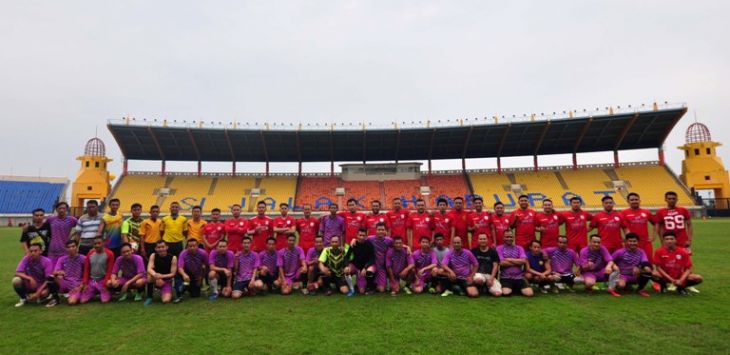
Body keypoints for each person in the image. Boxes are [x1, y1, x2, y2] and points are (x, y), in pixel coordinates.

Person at [653, 231, 703, 295]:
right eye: (667, 239)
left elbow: (688, 268)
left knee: (698, 278)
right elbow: (658, 267)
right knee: (653, 274)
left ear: (675, 240)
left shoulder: (683, 251)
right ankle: (663, 286)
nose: (669, 241)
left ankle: (681, 287)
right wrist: (671, 280)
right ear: (664, 241)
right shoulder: (659, 251)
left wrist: (681, 280)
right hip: (666, 276)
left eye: (671, 239)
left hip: (679, 276)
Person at [12, 243, 54, 307]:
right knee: (16, 280)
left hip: (42, 285)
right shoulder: (26, 258)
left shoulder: (47, 261)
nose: (33, 253)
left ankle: (41, 297)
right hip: (30, 284)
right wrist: (30, 278)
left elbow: (48, 279)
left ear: (41, 251)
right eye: (31, 251)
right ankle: (24, 299)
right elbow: (17, 272)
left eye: (35, 251)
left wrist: (38, 293)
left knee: (43, 293)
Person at [497, 230, 533, 297]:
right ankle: (513, 288)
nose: (509, 239)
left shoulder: (519, 248)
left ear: (514, 237)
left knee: (529, 294)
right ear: (503, 238)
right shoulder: (499, 248)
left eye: (511, 237)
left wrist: (509, 259)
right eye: (507, 237)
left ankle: (516, 288)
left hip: (519, 277)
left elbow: (524, 261)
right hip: (505, 277)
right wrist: (517, 262)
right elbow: (501, 263)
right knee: (506, 293)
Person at [620, 193, 655, 261]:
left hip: (645, 243)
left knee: (648, 262)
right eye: (632, 200)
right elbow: (619, 226)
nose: (634, 201)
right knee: (631, 262)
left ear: (639, 200)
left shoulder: (646, 212)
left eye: (636, 199)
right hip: (631, 243)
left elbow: (656, 223)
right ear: (628, 201)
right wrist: (622, 238)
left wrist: (654, 236)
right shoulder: (623, 213)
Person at [80, 236, 114, 304]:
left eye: (99, 243)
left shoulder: (110, 254)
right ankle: (93, 291)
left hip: (103, 280)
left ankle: (107, 292)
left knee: (105, 301)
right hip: (92, 280)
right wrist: (85, 283)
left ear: (103, 243)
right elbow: (86, 269)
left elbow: (109, 270)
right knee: (82, 301)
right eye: (95, 244)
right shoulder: (90, 253)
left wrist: (105, 283)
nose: (97, 245)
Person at [52, 240, 86, 306]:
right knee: (54, 277)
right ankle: (57, 296)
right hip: (66, 282)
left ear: (77, 247)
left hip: (77, 284)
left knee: (71, 302)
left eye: (73, 246)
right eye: (69, 247)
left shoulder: (83, 258)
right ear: (66, 249)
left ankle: (75, 294)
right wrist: (60, 272)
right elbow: (54, 272)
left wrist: (81, 286)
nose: (71, 249)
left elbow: (88, 274)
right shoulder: (62, 259)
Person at [145, 241, 177, 305]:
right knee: (149, 276)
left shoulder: (173, 258)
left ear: (167, 247)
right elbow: (149, 268)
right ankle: (149, 297)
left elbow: (173, 273)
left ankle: (167, 291)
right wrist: (156, 276)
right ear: (155, 249)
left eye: (163, 247)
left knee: (166, 301)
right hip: (155, 279)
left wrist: (161, 276)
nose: (161, 249)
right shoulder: (153, 255)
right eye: (159, 247)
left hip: (166, 280)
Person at [46, 202, 78, 267]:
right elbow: (42, 227)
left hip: (65, 250)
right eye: (60, 208)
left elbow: (81, 227)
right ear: (56, 209)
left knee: (62, 270)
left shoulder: (72, 220)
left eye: (63, 208)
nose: (61, 210)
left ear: (67, 210)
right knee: (51, 271)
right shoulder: (51, 219)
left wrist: (72, 235)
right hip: (53, 250)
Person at [345, 228, 376, 294]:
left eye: (363, 235)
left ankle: (370, 287)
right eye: (360, 235)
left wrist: (365, 267)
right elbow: (346, 257)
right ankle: (350, 288)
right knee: (346, 270)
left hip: (364, 267)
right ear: (357, 235)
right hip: (355, 265)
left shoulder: (369, 245)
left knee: (361, 291)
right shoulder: (353, 244)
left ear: (366, 236)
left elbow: (372, 258)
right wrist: (346, 266)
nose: (361, 237)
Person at [367, 222, 393, 293]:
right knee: (369, 271)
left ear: (385, 231)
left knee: (381, 290)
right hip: (373, 264)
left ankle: (379, 283)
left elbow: (398, 245)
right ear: (376, 230)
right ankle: (371, 286)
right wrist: (354, 240)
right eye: (379, 229)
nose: (381, 231)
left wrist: (407, 247)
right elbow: (360, 240)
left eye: (382, 229)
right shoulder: (370, 239)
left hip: (382, 267)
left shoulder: (389, 240)